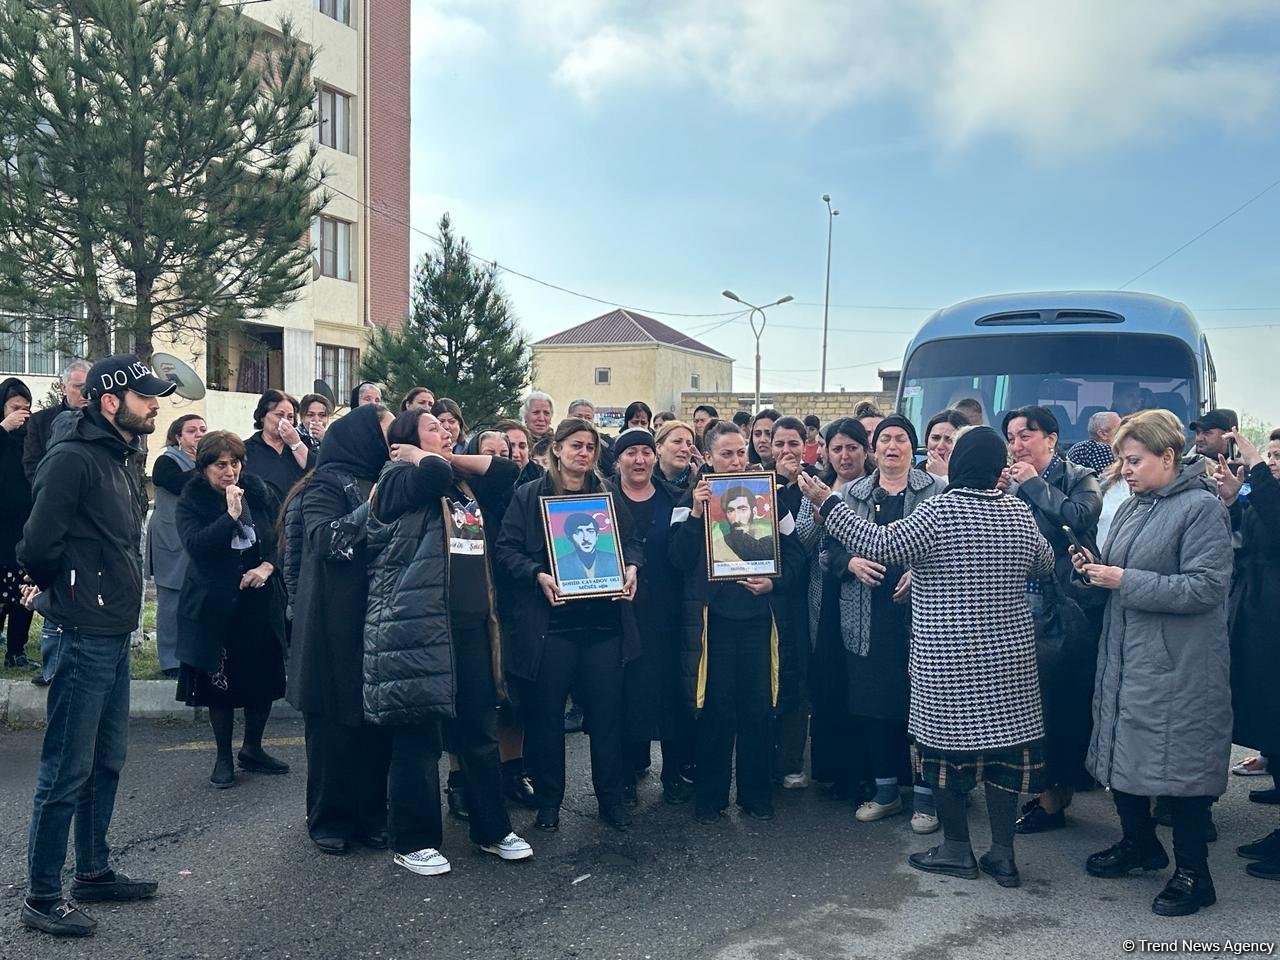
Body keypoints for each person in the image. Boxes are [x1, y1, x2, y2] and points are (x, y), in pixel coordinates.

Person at [799, 426, 1053, 889]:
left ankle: (957, 849)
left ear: (958, 466)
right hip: (1011, 664)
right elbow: (1044, 561)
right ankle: (1002, 855)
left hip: (948, 661)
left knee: (945, 756)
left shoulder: (941, 510)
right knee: (1004, 758)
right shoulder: (1017, 511)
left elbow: (881, 544)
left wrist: (828, 503)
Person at [17, 354, 175, 937]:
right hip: (81, 631)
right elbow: (36, 544)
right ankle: (39, 896)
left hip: (110, 631)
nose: (156, 403)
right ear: (111, 402)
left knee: (105, 762)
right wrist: (73, 590)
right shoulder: (74, 457)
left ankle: (92, 872)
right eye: (146, 396)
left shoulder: (122, 456)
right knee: (66, 768)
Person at [1074, 409, 1232, 917]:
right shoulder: (1133, 506)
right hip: (1128, 653)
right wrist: (1091, 571)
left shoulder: (1201, 509)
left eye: (1135, 460)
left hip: (1180, 664)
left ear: (1168, 457)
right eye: (1123, 461)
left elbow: (1207, 586)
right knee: (1123, 753)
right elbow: (1119, 570)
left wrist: (1124, 580)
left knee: (1178, 768)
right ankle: (1139, 844)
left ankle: (1194, 873)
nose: (1127, 470)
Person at [363, 410, 532, 875]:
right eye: (432, 428)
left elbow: (506, 472)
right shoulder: (397, 478)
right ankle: (413, 840)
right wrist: (420, 456)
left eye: (447, 426)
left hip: (471, 625)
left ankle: (492, 830)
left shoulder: (459, 482)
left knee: (479, 733)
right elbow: (430, 471)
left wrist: (448, 455)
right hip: (417, 628)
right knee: (418, 739)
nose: (446, 431)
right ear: (405, 442)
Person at [495, 417, 641, 833]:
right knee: (545, 721)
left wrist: (631, 568)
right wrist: (536, 574)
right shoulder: (529, 495)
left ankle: (610, 801)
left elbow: (631, 542)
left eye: (591, 447)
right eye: (576, 445)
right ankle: (549, 804)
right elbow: (505, 551)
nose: (584, 453)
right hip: (551, 628)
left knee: (607, 719)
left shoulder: (607, 495)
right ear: (556, 448)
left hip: (604, 626)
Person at [670, 421, 805, 824]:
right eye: (725, 454)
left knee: (759, 707)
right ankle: (710, 799)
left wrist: (772, 582)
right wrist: (696, 514)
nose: (735, 461)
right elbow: (675, 560)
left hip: (759, 622)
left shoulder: (770, 500)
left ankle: (756, 796)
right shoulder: (687, 500)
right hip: (713, 623)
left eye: (740, 452)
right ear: (707, 457)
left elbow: (797, 559)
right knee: (716, 710)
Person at [820, 416, 947, 833]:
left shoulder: (939, 493)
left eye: (901, 439)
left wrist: (924, 571)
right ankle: (886, 791)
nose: (893, 446)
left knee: (924, 709)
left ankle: (927, 798)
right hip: (865, 615)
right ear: (874, 449)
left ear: (915, 448)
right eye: (885, 439)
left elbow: (951, 550)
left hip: (921, 620)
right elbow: (827, 551)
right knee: (874, 707)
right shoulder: (851, 493)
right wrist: (850, 562)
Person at [288, 403, 396, 856]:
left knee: (375, 724)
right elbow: (326, 539)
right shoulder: (324, 484)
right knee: (333, 728)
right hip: (333, 622)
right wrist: (372, 507)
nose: (395, 440)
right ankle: (329, 819)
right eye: (389, 432)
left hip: (378, 618)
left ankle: (372, 816)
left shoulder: (387, 479)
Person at [997, 406, 1102, 837]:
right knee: (1024, 706)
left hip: (1066, 607)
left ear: (1052, 439)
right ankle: (1037, 787)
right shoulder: (1008, 483)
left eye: (1026, 436)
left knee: (1060, 705)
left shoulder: (1078, 477)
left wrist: (1033, 485)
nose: (1017, 445)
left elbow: (1077, 519)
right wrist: (999, 495)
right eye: (1011, 437)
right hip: (1014, 607)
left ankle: (1056, 795)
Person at [175, 431, 288, 788]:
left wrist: (267, 567)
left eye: (235, 463)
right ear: (204, 467)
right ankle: (223, 756)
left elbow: (279, 537)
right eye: (220, 465)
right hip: (215, 603)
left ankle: (253, 748)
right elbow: (197, 546)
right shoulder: (191, 499)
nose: (229, 471)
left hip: (258, 599)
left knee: (263, 676)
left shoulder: (258, 491)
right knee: (219, 684)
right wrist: (229, 515)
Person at [607, 429, 694, 804]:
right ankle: (626, 772)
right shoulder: (601, 499)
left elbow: (683, 554)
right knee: (627, 695)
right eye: (631, 453)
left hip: (666, 613)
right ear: (618, 460)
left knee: (670, 693)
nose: (639, 460)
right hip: (618, 612)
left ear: (654, 456)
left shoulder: (675, 498)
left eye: (645, 452)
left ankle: (674, 771)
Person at [1214, 428, 1280, 880]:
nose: (1271, 460)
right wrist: (1238, 500)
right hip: (1259, 613)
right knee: (1268, 715)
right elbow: (1253, 534)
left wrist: (1255, 468)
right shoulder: (1268, 495)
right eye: (1270, 454)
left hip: (1272, 617)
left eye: (1277, 455)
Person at [797, 418, 871, 802]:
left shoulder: (875, 488)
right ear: (825, 451)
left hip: (862, 594)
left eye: (852, 448)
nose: (844, 456)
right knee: (827, 679)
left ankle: (866, 772)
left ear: (865, 450)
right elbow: (805, 540)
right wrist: (817, 507)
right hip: (821, 594)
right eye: (837, 448)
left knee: (858, 681)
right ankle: (833, 770)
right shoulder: (816, 487)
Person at [768, 416, 814, 790]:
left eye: (793, 443)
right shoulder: (757, 483)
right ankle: (764, 756)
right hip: (763, 594)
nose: (786, 451)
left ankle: (791, 759)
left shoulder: (816, 483)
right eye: (779, 444)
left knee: (797, 674)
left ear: (806, 444)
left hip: (804, 595)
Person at [147, 414, 206, 676]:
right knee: (171, 601)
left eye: (203, 430)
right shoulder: (166, 461)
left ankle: (193, 656)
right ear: (178, 437)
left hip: (199, 538)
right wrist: (207, 465)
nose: (199, 435)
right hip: (171, 539)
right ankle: (170, 661)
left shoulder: (208, 462)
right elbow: (178, 484)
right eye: (192, 431)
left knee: (198, 601)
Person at [1, 377, 36, 672]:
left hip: (25, 527)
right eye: (15, 407)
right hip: (1, 529)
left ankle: (17, 651)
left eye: (26, 408)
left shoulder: (28, 440)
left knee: (23, 593)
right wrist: (3, 429)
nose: (21, 414)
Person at [22, 358, 90, 483]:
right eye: (78, 387)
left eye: (88, 387)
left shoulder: (104, 419)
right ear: (63, 387)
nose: (85, 393)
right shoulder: (40, 421)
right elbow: (32, 464)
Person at [243, 390, 315, 507]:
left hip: (298, 516)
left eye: (290, 417)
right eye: (279, 415)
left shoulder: (304, 445)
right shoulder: (246, 449)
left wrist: (295, 444)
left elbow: (316, 471)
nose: (285, 421)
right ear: (263, 416)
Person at [922, 409, 968, 478]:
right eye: (935, 438)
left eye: (949, 440)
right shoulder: (915, 472)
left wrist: (944, 476)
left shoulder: (972, 474)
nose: (940, 446)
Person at [654, 420, 697, 490]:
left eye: (689, 444)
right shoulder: (644, 482)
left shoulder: (700, 484)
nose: (685, 449)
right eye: (677, 442)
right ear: (659, 448)